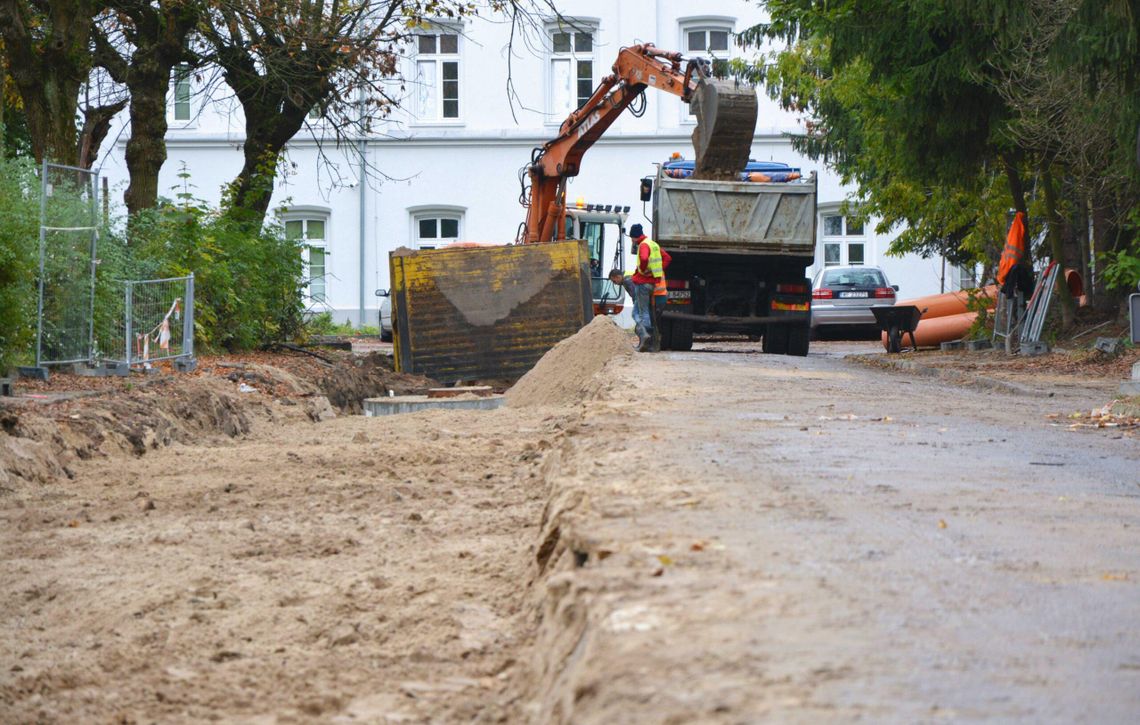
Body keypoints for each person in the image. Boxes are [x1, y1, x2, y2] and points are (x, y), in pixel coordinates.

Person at [628, 223, 670, 352]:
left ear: (634, 237)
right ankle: (646, 339)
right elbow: (667, 258)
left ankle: (646, 337)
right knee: (636, 312)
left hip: (643, 283)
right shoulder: (653, 244)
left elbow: (644, 258)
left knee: (642, 313)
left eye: (631, 238)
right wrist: (656, 272)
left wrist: (644, 270)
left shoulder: (643, 245)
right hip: (651, 283)